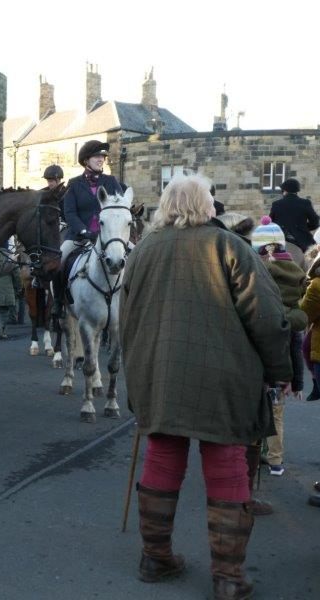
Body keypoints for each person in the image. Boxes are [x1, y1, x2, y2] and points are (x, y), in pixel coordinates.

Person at [119, 174, 291, 599]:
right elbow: (267, 318)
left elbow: (127, 320)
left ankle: (155, 557)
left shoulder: (142, 252)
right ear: (207, 206)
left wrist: (137, 375)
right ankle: (228, 578)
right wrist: (279, 371)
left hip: (160, 373)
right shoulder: (230, 247)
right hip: (225, 378)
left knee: (163, 455)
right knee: (226, 462)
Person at [251, 216, 307, 480]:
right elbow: (296, 340)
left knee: (253, 411)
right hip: (281, 365)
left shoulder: (255, 274)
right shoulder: (294, 274)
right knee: (276, 413)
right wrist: (296, 381)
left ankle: (253, 457)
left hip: (256, 363)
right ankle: (275, 461)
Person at [52, 141, 122, 317]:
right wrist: (84, 231)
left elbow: (122, 207)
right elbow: (69, 212)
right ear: (86, 160)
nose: (101, 159)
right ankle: (58, 303)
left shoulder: (111, 182)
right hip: (79, 237)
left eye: (103, 156)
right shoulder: (74, 184)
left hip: (109, 237)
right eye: (97, 156)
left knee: (135, 255)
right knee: (59, 262)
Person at [269, 178, 319, 253]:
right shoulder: (305, 203)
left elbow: (270, 224)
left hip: (282, 242)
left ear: (285, 191)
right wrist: (303, 228)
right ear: (296, 191)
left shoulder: (276, 204)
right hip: (303, 242)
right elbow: (315, 222)